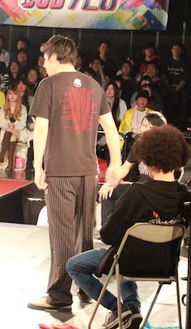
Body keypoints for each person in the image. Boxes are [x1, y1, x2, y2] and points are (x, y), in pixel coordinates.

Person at [27, 35, 122, 312]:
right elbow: (112, 129)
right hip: (88, 172)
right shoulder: (93, 85)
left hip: (61, 170)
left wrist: (37, 165)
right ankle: (85, 285)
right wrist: (115, 164)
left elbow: (41, 129)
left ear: (55, 56)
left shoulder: (48, 85)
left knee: (62, 235)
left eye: (45, 58)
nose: (43, 64)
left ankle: (59, 296)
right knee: (84, 233)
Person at [67, 125, 191, 329]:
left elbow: (108, 236)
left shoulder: (137, 194)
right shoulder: (185, 197)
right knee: (127, 250)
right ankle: (133, 310)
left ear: (148, 161)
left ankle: (118, 308)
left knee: (74, 265)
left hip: (129, 261)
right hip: (165, 265)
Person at [0, 87, 27, 172]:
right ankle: (10, 165)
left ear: (18, 96)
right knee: (12, 136)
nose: (12, 96)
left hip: (20, 132)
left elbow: (23, 124)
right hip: (7, 131)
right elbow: (1, 123)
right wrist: (8, 125)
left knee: (11, 132)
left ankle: (2, 154)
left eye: (15, 94)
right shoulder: (3, 108)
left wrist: (14, 126)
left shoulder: (23, 108)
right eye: (10, 94)